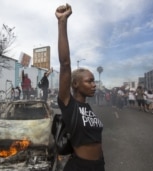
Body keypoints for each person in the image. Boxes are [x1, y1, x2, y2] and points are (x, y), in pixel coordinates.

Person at [55, 4, 105, 171]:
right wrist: (62, 22)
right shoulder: (69, 105)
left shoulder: (87, 107)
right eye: (89, 81)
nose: (94, 84)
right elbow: (65, 63)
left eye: (93, 81)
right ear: (75, 84)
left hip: (99, 165)